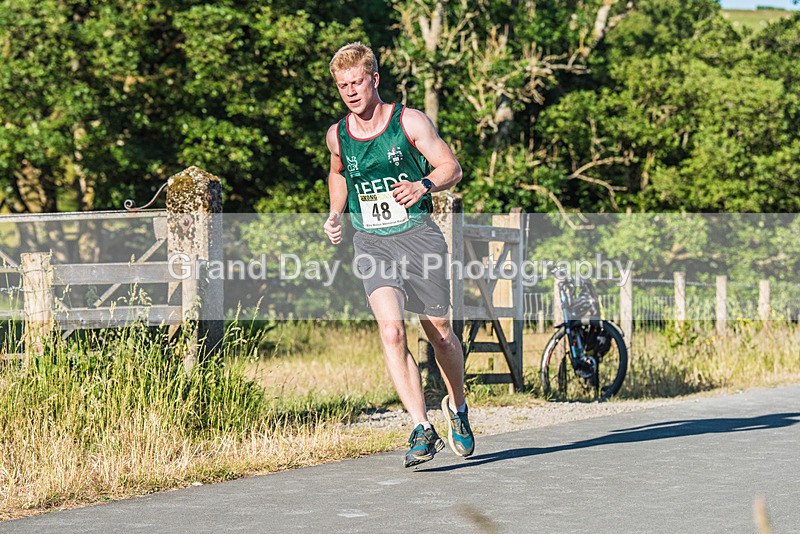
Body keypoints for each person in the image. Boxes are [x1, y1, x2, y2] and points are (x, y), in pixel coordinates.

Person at [323, 42, 474, 468]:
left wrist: (422, 186)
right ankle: (421, 428)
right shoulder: (338, 135)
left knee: (440, 332)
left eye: (356, 82)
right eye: (342, 86)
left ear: (374, 79)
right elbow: (337, 174)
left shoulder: (409, 120)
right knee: (391, 332)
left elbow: (451, 167)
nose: (350, 92)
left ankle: (457, 408)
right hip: (372, 242)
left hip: (418, 236)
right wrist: (336, 213)